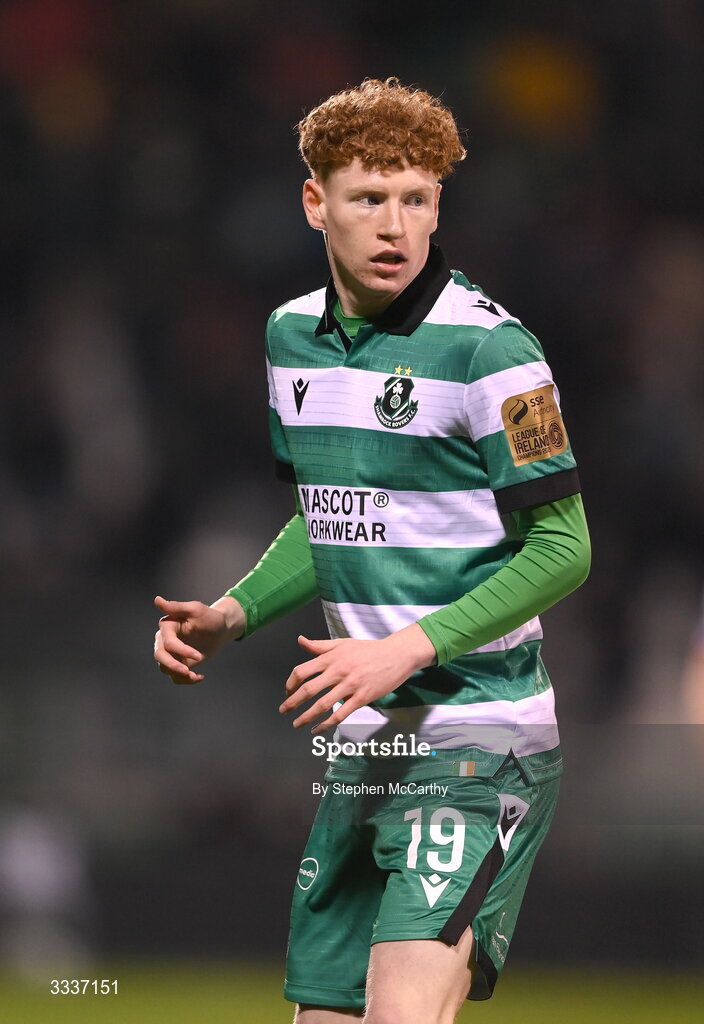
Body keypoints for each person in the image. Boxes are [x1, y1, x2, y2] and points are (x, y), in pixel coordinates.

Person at [154, 78, 591, 1024]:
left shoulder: (492, 352)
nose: (397, 225)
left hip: (481, 731)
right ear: (315, 203)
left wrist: (407, 646)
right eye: (368, 198)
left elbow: (563, 547)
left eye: (418, 199)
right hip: (366, 744)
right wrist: (234, 611)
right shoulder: (290, 339)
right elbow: (336, 514)